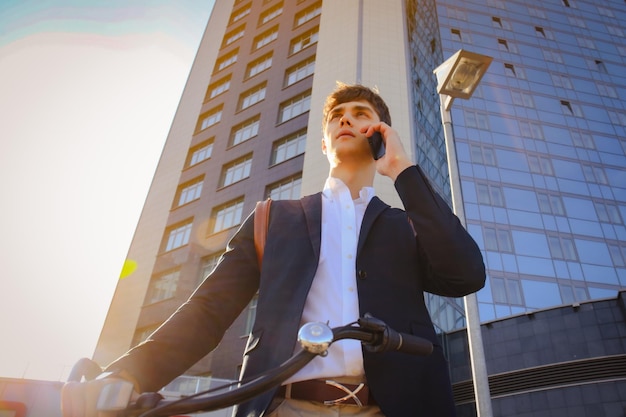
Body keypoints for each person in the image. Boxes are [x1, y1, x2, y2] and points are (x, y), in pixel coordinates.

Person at [62, 83, 485, 417]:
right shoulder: (273, 218)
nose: (346, 120)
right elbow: (207, 311)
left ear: (380, 135)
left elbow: (465, 274)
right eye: (337, 116)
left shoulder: (407, 224)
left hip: (392, 408)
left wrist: (403, 171)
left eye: (362, 116)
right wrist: (130, 373)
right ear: (323, 144)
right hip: (284, 408)